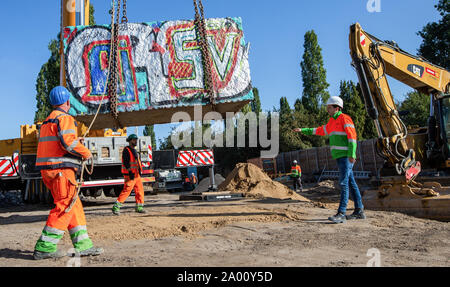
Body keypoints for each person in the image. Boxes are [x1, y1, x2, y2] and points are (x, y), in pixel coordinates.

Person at [33, 86, 103, 260]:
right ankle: (45, 247)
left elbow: (60, 142)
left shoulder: (48, 120)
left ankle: (84, 245)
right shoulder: (65, 118)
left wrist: (74, 141)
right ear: (67, 102)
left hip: (50, 171)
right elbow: (68, 144)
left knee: (74, 205)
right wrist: (85, 152)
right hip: (61, 171)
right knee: (65, 206)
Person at [294, 96, 365, 224]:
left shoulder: (344, 118)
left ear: (337, 108)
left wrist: (352, 154)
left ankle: (341, 213)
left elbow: (352, 137)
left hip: (346, 156)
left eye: (329, 107)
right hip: (339, 156)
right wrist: (303, 130)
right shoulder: (332, 121)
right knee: (350, 182)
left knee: (343, 183)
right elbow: (319, 130)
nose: (327, 109)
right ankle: (359, 211)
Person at [112, 134, 146, 215]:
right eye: (134, 140)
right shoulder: (126, 150)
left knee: (140, 191)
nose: (136, 141)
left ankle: (139, 207)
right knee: (126, 191)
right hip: (130, 175)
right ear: (130, 141)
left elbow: (137, 162)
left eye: (136, 140)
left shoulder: (134, 150)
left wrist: (140, 171)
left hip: (136, 175)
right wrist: (130, 172)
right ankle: (116, 207)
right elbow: (126, 163)